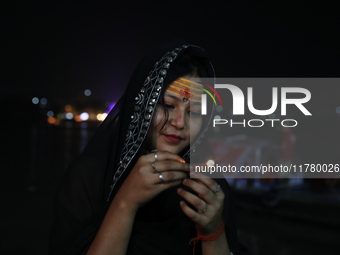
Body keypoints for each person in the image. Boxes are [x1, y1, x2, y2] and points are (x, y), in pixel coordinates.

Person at [49, 38, 248, 255]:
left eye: (195, 112)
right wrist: (126, 201)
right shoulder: (90, 177)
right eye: (167, 105)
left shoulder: (208, 188)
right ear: (142, 104)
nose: (179, 122)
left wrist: (213, 230)